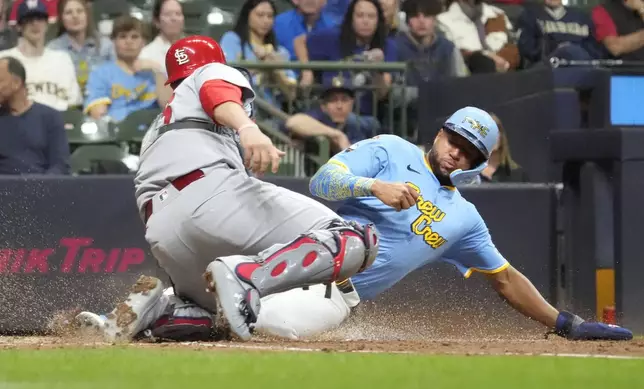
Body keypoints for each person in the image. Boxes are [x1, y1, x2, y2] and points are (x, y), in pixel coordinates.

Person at [77, 105, 633, 342]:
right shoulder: (390, 149)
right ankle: (194, 295)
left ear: (480, 162)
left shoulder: (466, 220)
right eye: (454, 140)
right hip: (296, 249)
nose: (457, 154)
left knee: (253, 321)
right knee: (251, 314)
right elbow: (322, 182)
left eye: (470, 152)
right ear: (439, 133)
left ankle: (155, 310)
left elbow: (506, 279)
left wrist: (565, 323)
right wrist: (374, 188)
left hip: (335, 294)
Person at [74, 35, 378, 343]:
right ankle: (247, 276)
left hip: (162, 232)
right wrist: (249, 129)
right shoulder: (209, 73)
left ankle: (159, 307)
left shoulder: (159, 127)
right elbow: (215, 91)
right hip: (210, 197)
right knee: (354, 239)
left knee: (216, 312)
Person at [83, 15, 171, 122]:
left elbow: (168, 107)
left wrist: (157, 70)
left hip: (153, 131)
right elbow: (98, 114)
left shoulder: (154, 72)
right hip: (119, 133)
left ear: (143, 42)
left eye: (134, 37)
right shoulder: (101, 74)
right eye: (122, 36)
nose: (129, 41)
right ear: (113, 41)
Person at [0, 0, 81, 111]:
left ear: (47, 24)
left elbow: (74, 103)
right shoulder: (4, 59)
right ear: (19, 26)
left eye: (40, 18)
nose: (35, 24)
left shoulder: (62, 59)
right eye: (28, 20)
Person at [0, 56, 70, 174]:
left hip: (41, 187)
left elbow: (60, 165)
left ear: (16, 83)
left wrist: (41, 188)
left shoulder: (50, 117)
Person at [220, 0, 297, 105]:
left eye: (270, 16)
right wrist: (261, 64)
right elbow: (227, 77)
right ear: (247, 15)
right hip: (242, 107)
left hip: (273, 112)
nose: (266, 21)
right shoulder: (232, 40)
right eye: (260, 15)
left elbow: (291, 95)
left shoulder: (280, 52)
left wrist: (275, 69)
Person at [283, 76, 379, 153]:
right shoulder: (320, 117)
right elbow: (292, 122)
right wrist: (337, 135)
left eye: (344, 100)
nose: (339, 105)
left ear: (352, 103)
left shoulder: (364, 124)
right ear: (323, 106)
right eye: (333, 100)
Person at [47, 0, 114, 97]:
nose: (75, 16)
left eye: (79, 11)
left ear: (87, 15)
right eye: (68, 12)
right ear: (61, 19)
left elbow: (117, 78)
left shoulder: (105, 45)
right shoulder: (53, 50)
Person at [516, 0, 603, 66]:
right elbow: (526, 49)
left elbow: (594, 50)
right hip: (548, 68)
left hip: (581, 66)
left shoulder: (582, 17)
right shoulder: (530, 15)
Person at [138, 0, 185, 76]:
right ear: (157, 21)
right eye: (168, 14)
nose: (174, 18)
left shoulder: (194, 51)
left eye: (178, 14)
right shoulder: (145, 55)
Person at [479, 112, 528, 182]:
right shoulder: (467, 176)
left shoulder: (518, 175)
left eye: (496, 131)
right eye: (487, 133)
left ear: (501, 137)